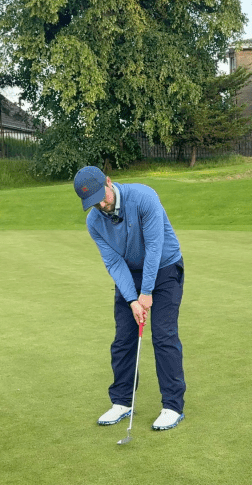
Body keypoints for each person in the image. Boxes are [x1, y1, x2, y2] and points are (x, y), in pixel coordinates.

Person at [73, 166, 186, 431]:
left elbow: (155, 246)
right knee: (123, 338)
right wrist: (133, 300)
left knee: (163, 335)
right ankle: (122, 402)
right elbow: (113, 262)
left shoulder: (144, 197)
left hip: (165, 268)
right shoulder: (94, 222)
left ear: (109, 182)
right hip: (130, 274)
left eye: (103, 197)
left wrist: (146, 293)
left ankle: (172, 406)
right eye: (94, 203)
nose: (101, 205)